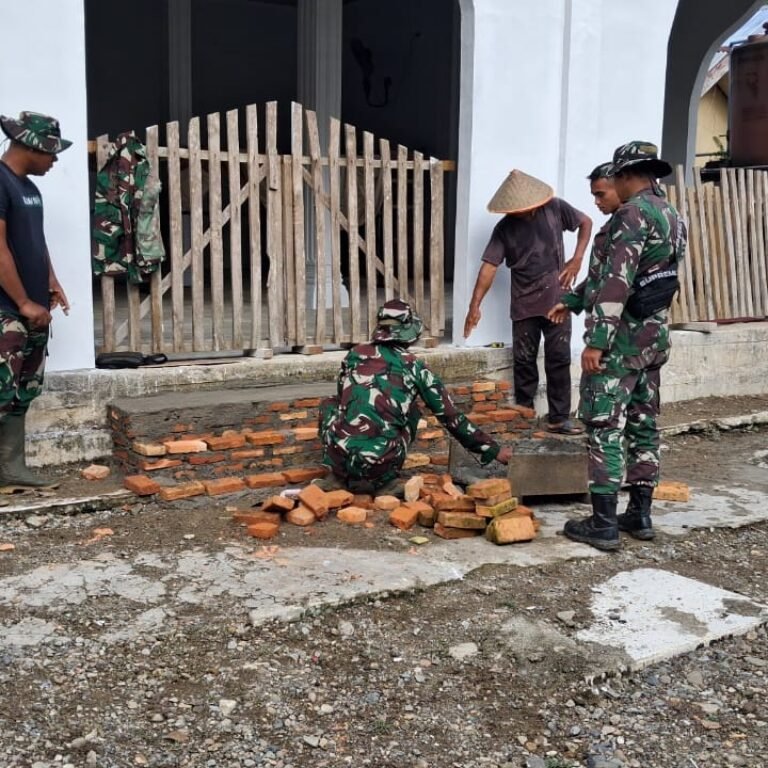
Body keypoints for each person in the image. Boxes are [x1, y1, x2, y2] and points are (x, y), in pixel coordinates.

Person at [548, 142, 686, 551]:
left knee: (603, 426)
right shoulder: (672, 215)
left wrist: (597, 341)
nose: (608, 193)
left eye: (611, 185)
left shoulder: (632, 214)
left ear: (626, 176)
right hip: (653, 340)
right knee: (644, 424)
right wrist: (572, 301)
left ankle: (603, 523)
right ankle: (640, 515)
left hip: (621, 343)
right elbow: (649, 277)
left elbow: (618, 281)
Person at [319, 299, 512, 494]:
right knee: (412, 411)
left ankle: (337, 477)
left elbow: (343, 399)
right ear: (408, 332)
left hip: (341, 464)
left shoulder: (353, 355)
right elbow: (451, 417)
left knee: (330, 404)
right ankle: (386, 482)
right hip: (381, 467)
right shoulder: (415, 367)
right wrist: (493, 450)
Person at [463, 169, 592, 435]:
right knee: (524, 360)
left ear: (533, 204)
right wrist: (474, 306)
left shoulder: (555, 208)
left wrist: (577, 259)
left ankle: (558, 418)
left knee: (558, 358)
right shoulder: (504, 228)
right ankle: (523, 416)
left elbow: (586, 222)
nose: (517, 213)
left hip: (557, 299)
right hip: (523, 302)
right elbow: (489, 267)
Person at [0, 111, 71, 488]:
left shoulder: (30, 188)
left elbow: (34, 242)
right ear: (32, 146)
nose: (55, 160)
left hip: (33, 311)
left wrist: (51, 281)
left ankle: (11, 469)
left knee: (23, 391)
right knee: (0, 388)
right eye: (52, 152)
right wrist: (23, 303)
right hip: (6, 312)